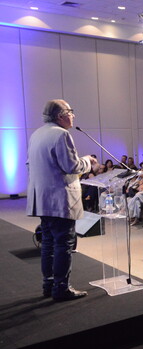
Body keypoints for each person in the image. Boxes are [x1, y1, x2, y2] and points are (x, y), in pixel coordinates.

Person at [26, 99, 97, 301]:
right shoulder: (61, 135)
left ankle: (49, 284)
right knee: (63, 244)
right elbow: (71, 166)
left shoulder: (37, 134)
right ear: (60, 115)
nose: (73, 115)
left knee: (48, 243)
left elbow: (29, 165)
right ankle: (61, 288)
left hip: (43, 199)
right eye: (70, 111)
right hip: (60, 200)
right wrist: (88, 161)